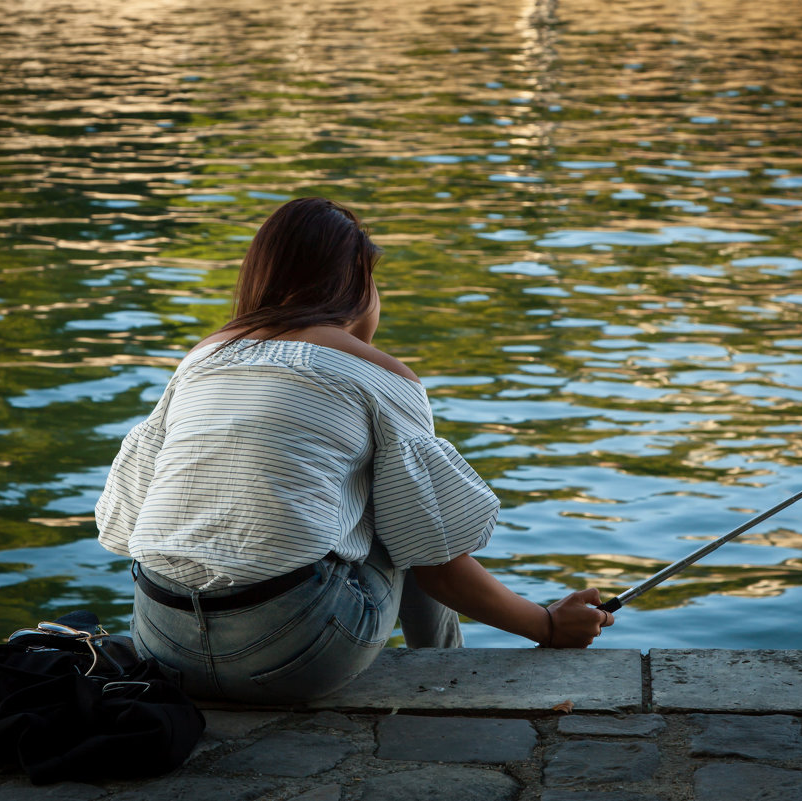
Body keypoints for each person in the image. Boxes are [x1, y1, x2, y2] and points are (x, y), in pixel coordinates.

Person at [95, 197, 614, 704]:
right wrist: (546, 625)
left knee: (385, 495)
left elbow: (125, 519)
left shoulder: (202, 360)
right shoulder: (380, 374)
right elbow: (436, 562)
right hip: (296, 654)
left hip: (163, 645)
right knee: (412, 515)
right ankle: (446, 670)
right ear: (358, 283)